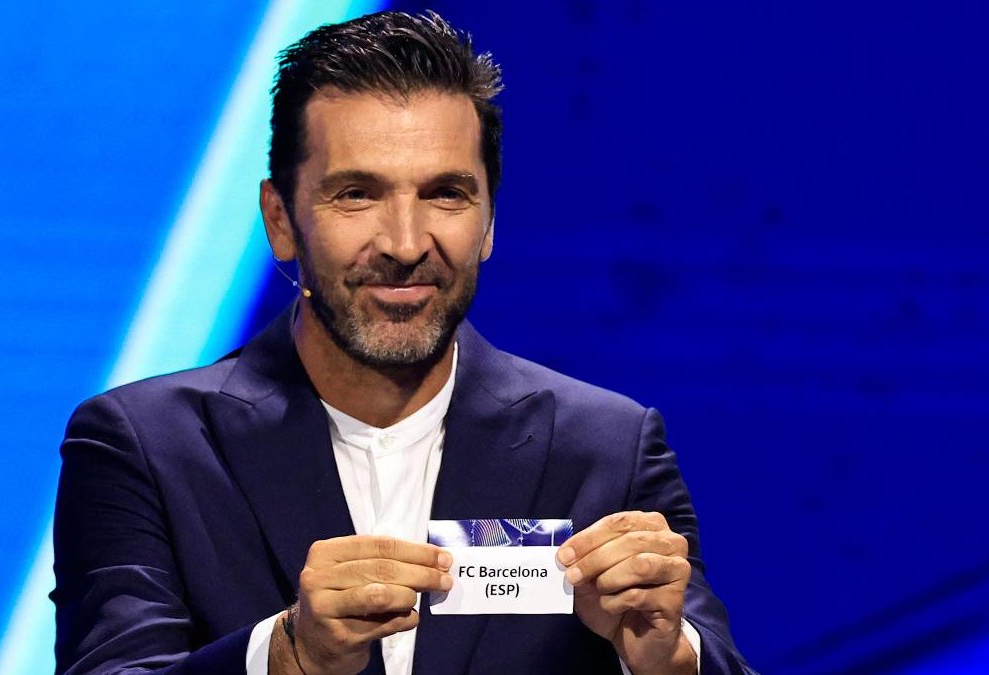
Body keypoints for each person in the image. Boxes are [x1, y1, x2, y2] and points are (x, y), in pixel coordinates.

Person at [51, 10, 754, 675]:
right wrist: (291, 653)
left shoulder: (605, 447)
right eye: (357, 194)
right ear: (281, 219)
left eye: (445, 193)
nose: (406, 244)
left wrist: (665, 656)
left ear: (488, 222)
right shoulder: (147, 445)